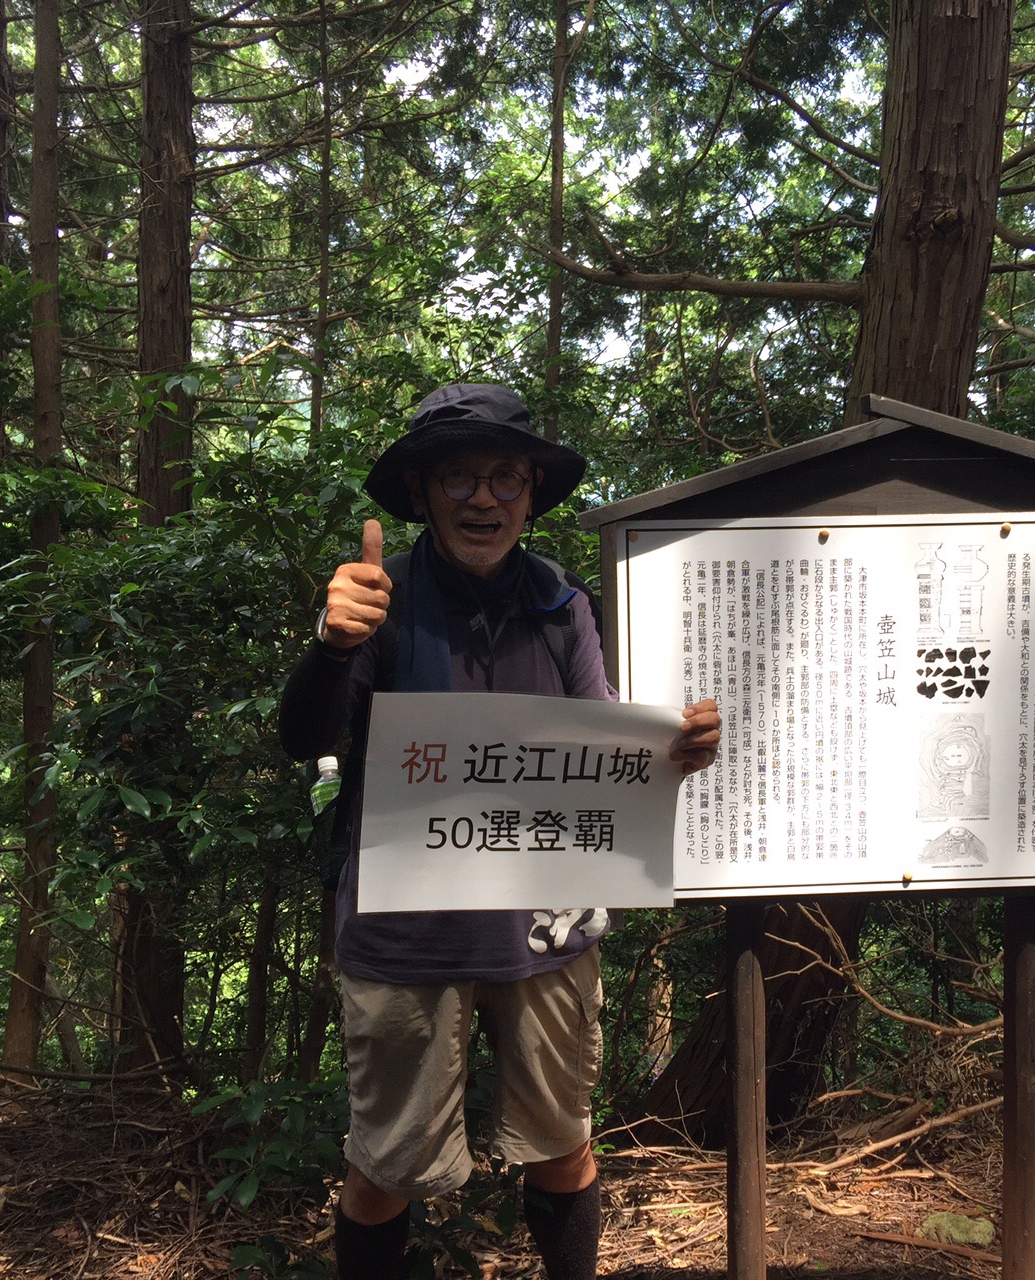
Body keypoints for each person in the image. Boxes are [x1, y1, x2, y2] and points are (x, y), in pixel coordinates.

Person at [278, 383, 721, 1280]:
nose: (484, 499)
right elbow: (304, 739)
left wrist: (675, 750)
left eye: (506, 478)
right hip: (405, 932)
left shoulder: (563, 605)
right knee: (385, 1170)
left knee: (563, 1146)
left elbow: (595, 745)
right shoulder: (377, 597)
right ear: (420, 492)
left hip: (544, 928)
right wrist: (332, 643)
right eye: (459, 477)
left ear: (530, 492)